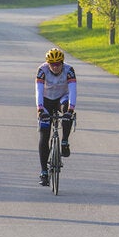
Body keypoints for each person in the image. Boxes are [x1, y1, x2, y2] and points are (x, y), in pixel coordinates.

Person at [36, 47, 76, 186]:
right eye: (52, 64)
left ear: (62, 63)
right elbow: (39, 91)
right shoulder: (42, 70)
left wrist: (71, 109)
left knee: (67, 114)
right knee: (44, 135)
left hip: (61, 99)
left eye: (58, 63)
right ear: (48, 63)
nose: (55, 67)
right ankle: (44, 172)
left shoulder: (69, 70)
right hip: (46, 100)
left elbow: (72, 90)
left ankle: (64, 141)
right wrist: (40, 109)